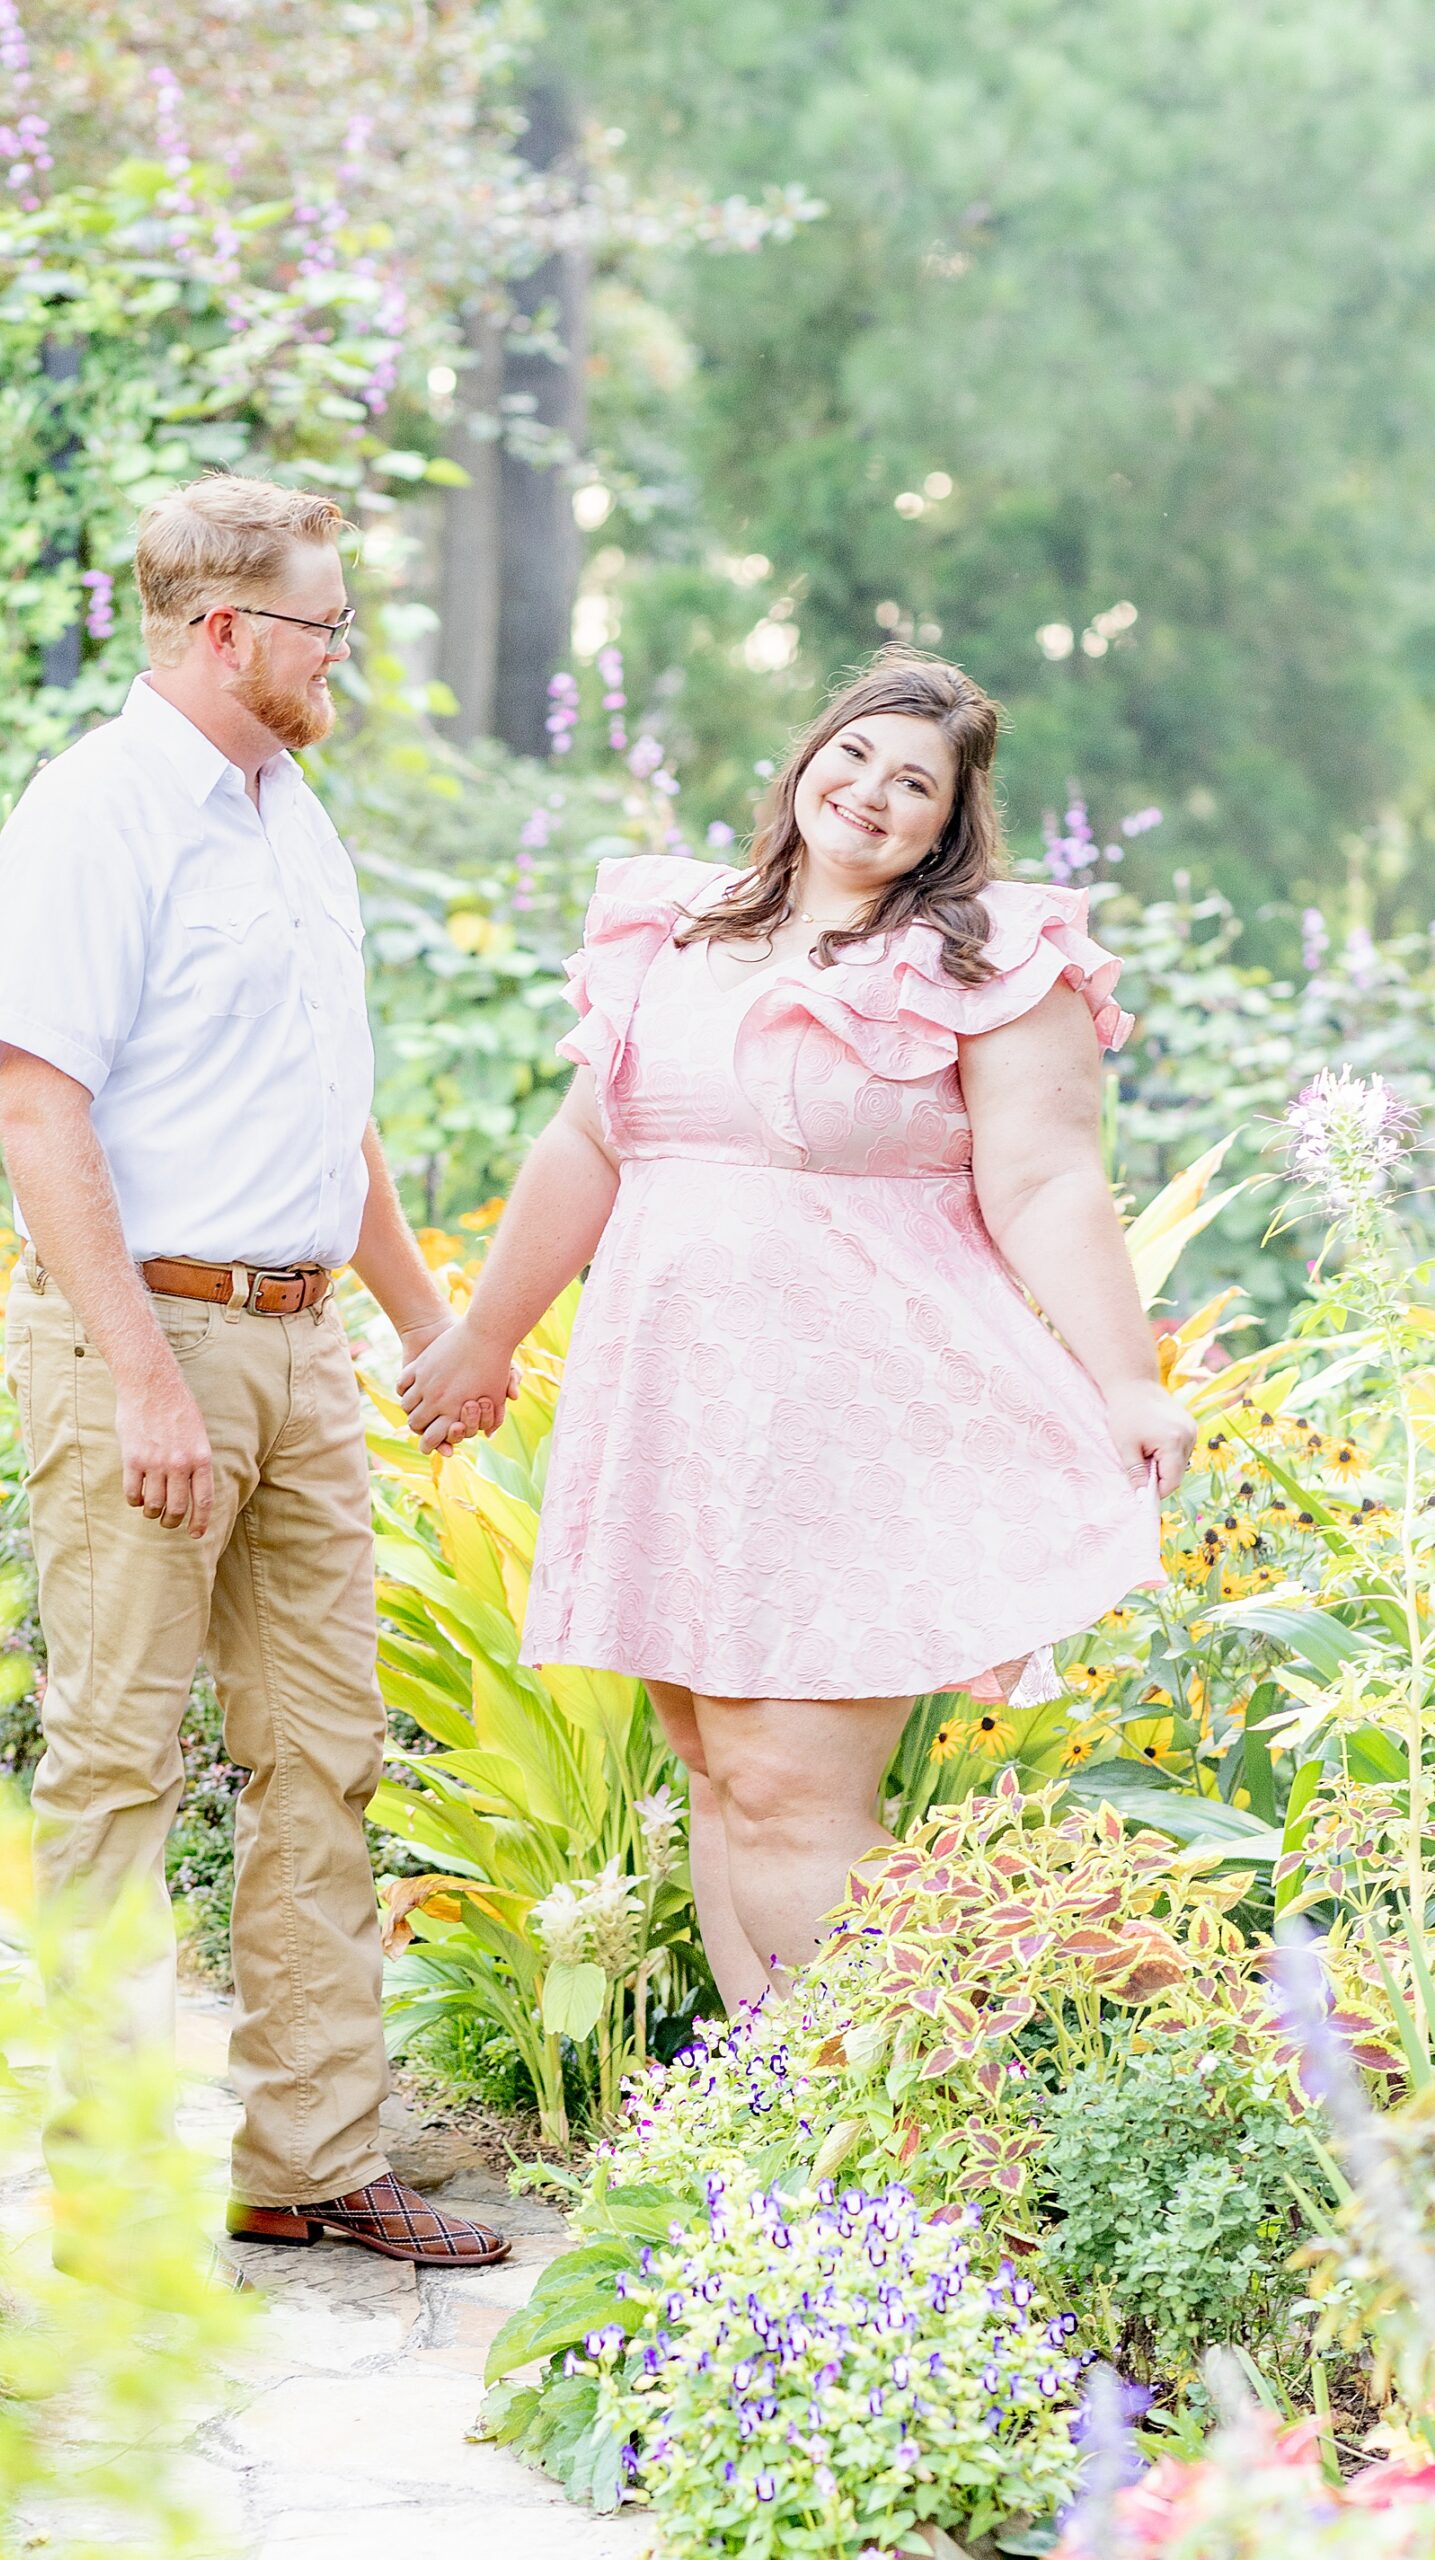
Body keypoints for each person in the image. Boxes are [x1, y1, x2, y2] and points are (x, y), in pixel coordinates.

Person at [399, 649, 1193, 2011]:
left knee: (789, 1789)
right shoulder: (679, 930)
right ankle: (789, 2146)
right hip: (683, 1405)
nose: (874, 796)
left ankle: (958, 2128)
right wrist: (481, 1336)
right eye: (856, 757)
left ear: (950, 826)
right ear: (805, 757)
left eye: (915, 786)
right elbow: (587, 1143)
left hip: (859, 1409)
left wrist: (1127, 1378)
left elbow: (1048, 1177)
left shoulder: (985, 963)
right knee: (719, 1771)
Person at [0, 472, 507, 2266]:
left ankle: (306, 2153)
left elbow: (329, 1117)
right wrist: (143, 1383)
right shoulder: (96, 817)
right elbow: (40, 1112)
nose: (344, 653)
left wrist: (429, 1319)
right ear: (229, 633)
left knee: (325, 1760)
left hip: (301, 1345)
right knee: (116, 1762)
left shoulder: (297, 817)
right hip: (152, 1339)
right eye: (327, 626)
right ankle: (116, 2181)